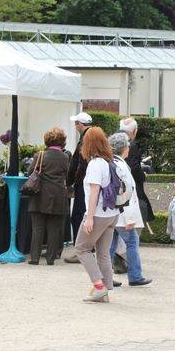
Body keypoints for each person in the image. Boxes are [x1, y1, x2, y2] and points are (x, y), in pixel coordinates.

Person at [74, 127, 120, 302]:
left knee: (81, 248)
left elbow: (94, 192)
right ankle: (105, 290)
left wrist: (89, 217)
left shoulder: (94, 164)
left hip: (99, 213)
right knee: (103, 252)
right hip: (112, 213)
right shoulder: (110, 162)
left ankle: (99, 286)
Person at [107, 132, 152, 286]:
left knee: (110, 245)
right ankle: (135, 276)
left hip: (112, 212)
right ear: (123, 148)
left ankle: (106, 277)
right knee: (132, 242)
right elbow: (127, 194)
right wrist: (130, 218)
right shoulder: (121, 166)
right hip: (122, 213)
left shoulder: (111, 162)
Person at [27, 127, 71, 266]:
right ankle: (51, 258)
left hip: (40, 194)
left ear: (46, 140)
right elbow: (68, 176)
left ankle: (34, 258)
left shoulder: (40, 155)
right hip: (59, 195)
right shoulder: (65, 157)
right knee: (54, 228)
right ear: (62, 141)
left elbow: (30, 172)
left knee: (37, 228)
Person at [64, 112, 93, 263]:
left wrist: (71, 181)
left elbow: (79, 164)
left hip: (84, 184)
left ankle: (80, 250)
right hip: (93, 183)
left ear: (80, 124)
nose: (75, 126)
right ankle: (89, 248)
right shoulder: (95, 137)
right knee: (90, 215)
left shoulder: (85, 141)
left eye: (76, 123)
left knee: (78, 216)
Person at [119, 117, 154, 223]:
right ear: (135, 131)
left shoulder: (113, 142)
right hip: (131, 189)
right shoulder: (131, 146)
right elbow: (134, 168)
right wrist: (142, 175)